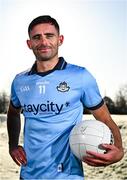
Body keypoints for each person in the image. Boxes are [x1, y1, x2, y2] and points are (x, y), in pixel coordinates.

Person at [7, 15, 124, 180]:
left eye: (49, 36)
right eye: (36, 37)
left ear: (60, 39)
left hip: (68, 175)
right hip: (28, 175)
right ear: (29, 43)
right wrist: (12, 145)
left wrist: (119, 150)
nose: (43, 42)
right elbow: (12, 113)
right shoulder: (20, 81)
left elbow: (105, 119)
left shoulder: (81, 76)